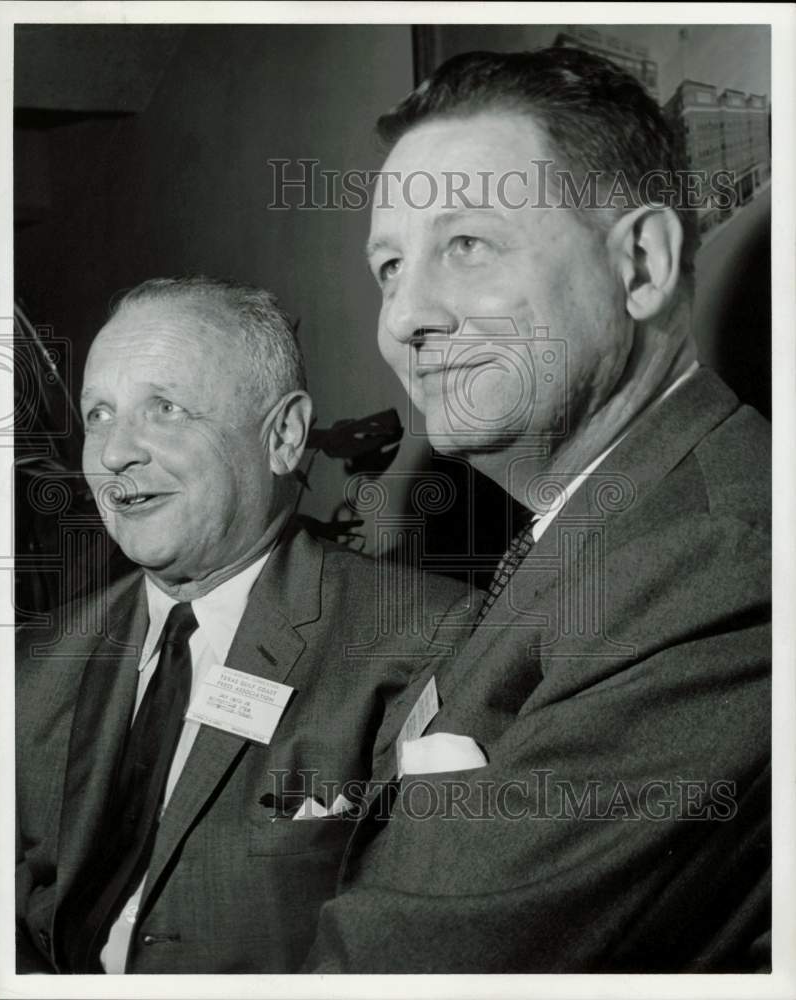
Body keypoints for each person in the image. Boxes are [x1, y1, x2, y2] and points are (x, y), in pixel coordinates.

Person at [305, 47, 771, 973]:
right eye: (390, 267)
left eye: (465, 245)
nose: (404, 318)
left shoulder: (722, 563)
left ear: (641, 262)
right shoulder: (590, 513)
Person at [15, 276, 470, 974]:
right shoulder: (35, 662)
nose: (113, 455)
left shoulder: (421, 642)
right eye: (99, 414)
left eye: (163, 408)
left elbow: (418, 944)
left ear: (283, 435)